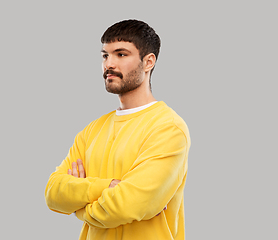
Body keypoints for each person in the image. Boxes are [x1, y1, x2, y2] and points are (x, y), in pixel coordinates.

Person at [45, 19, 191, 240]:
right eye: (105, 55)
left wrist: (80, 207)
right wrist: (106, 186)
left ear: (148, 61)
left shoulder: (168, 128)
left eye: (121, 54)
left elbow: (127, 205)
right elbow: (53, 192)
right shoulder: (92, 130)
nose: (109, 64)